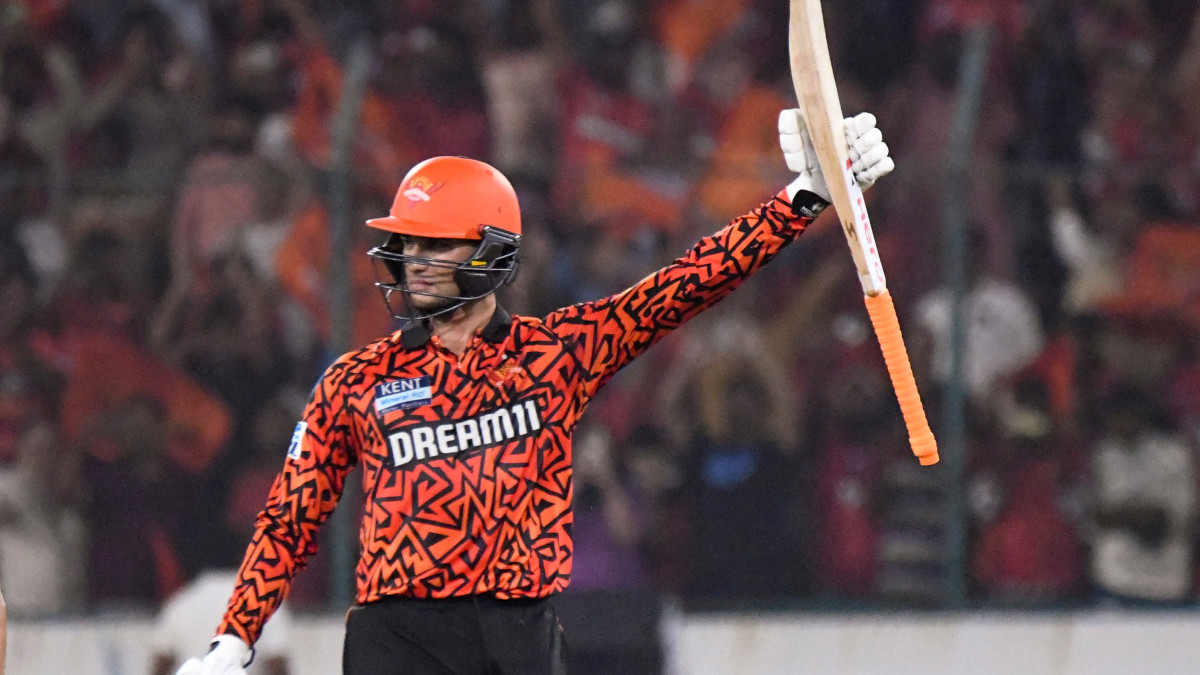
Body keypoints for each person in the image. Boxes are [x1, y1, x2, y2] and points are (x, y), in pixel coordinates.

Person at [176, 107, 895, 674]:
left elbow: (689, 283)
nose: (413, 263)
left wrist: (803, 199)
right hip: (395, 638)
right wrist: (233, 639)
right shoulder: (355, 379)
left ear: (491, 253)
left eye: (436, 244)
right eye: (408, 245)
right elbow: (289, 516)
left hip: (518, 635)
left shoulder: (558, 354)